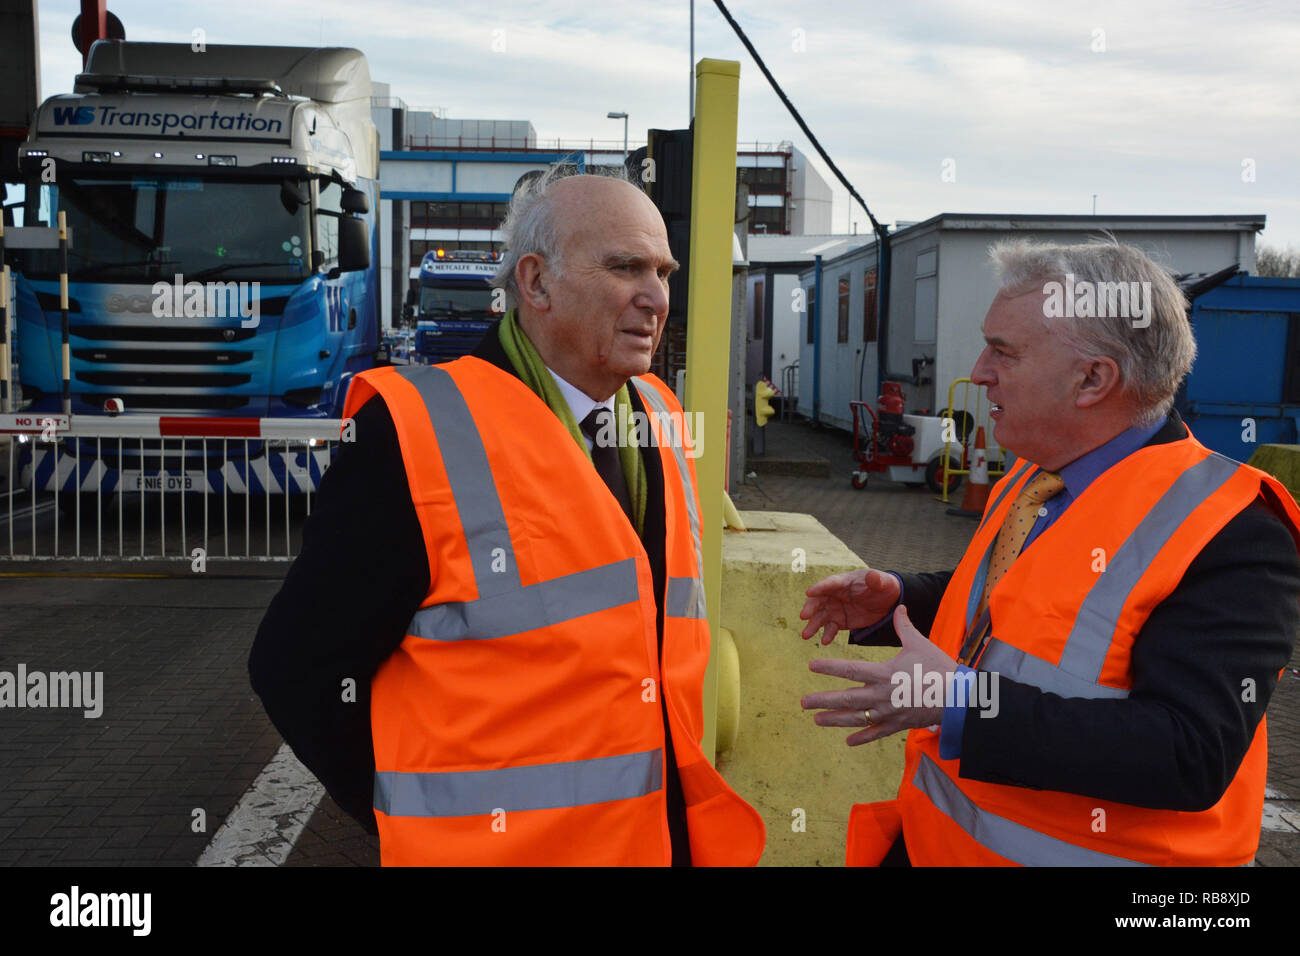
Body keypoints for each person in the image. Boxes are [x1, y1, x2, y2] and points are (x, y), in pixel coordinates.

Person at [249, 168, 765, 866]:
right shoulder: (414, 434)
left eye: (663, 272)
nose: (655, 298)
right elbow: (297, 668)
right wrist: (417, 822)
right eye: (625, 268)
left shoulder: (663, 421)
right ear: (536, 282)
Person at [798, 238, 1300, 866]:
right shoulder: (1038, 477)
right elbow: (1035, 603)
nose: (979, 371)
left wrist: (958, 701)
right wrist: (902, 597)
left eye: (1003, 352)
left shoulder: (1232, 529)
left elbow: (1189, 752)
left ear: (1093, 379)